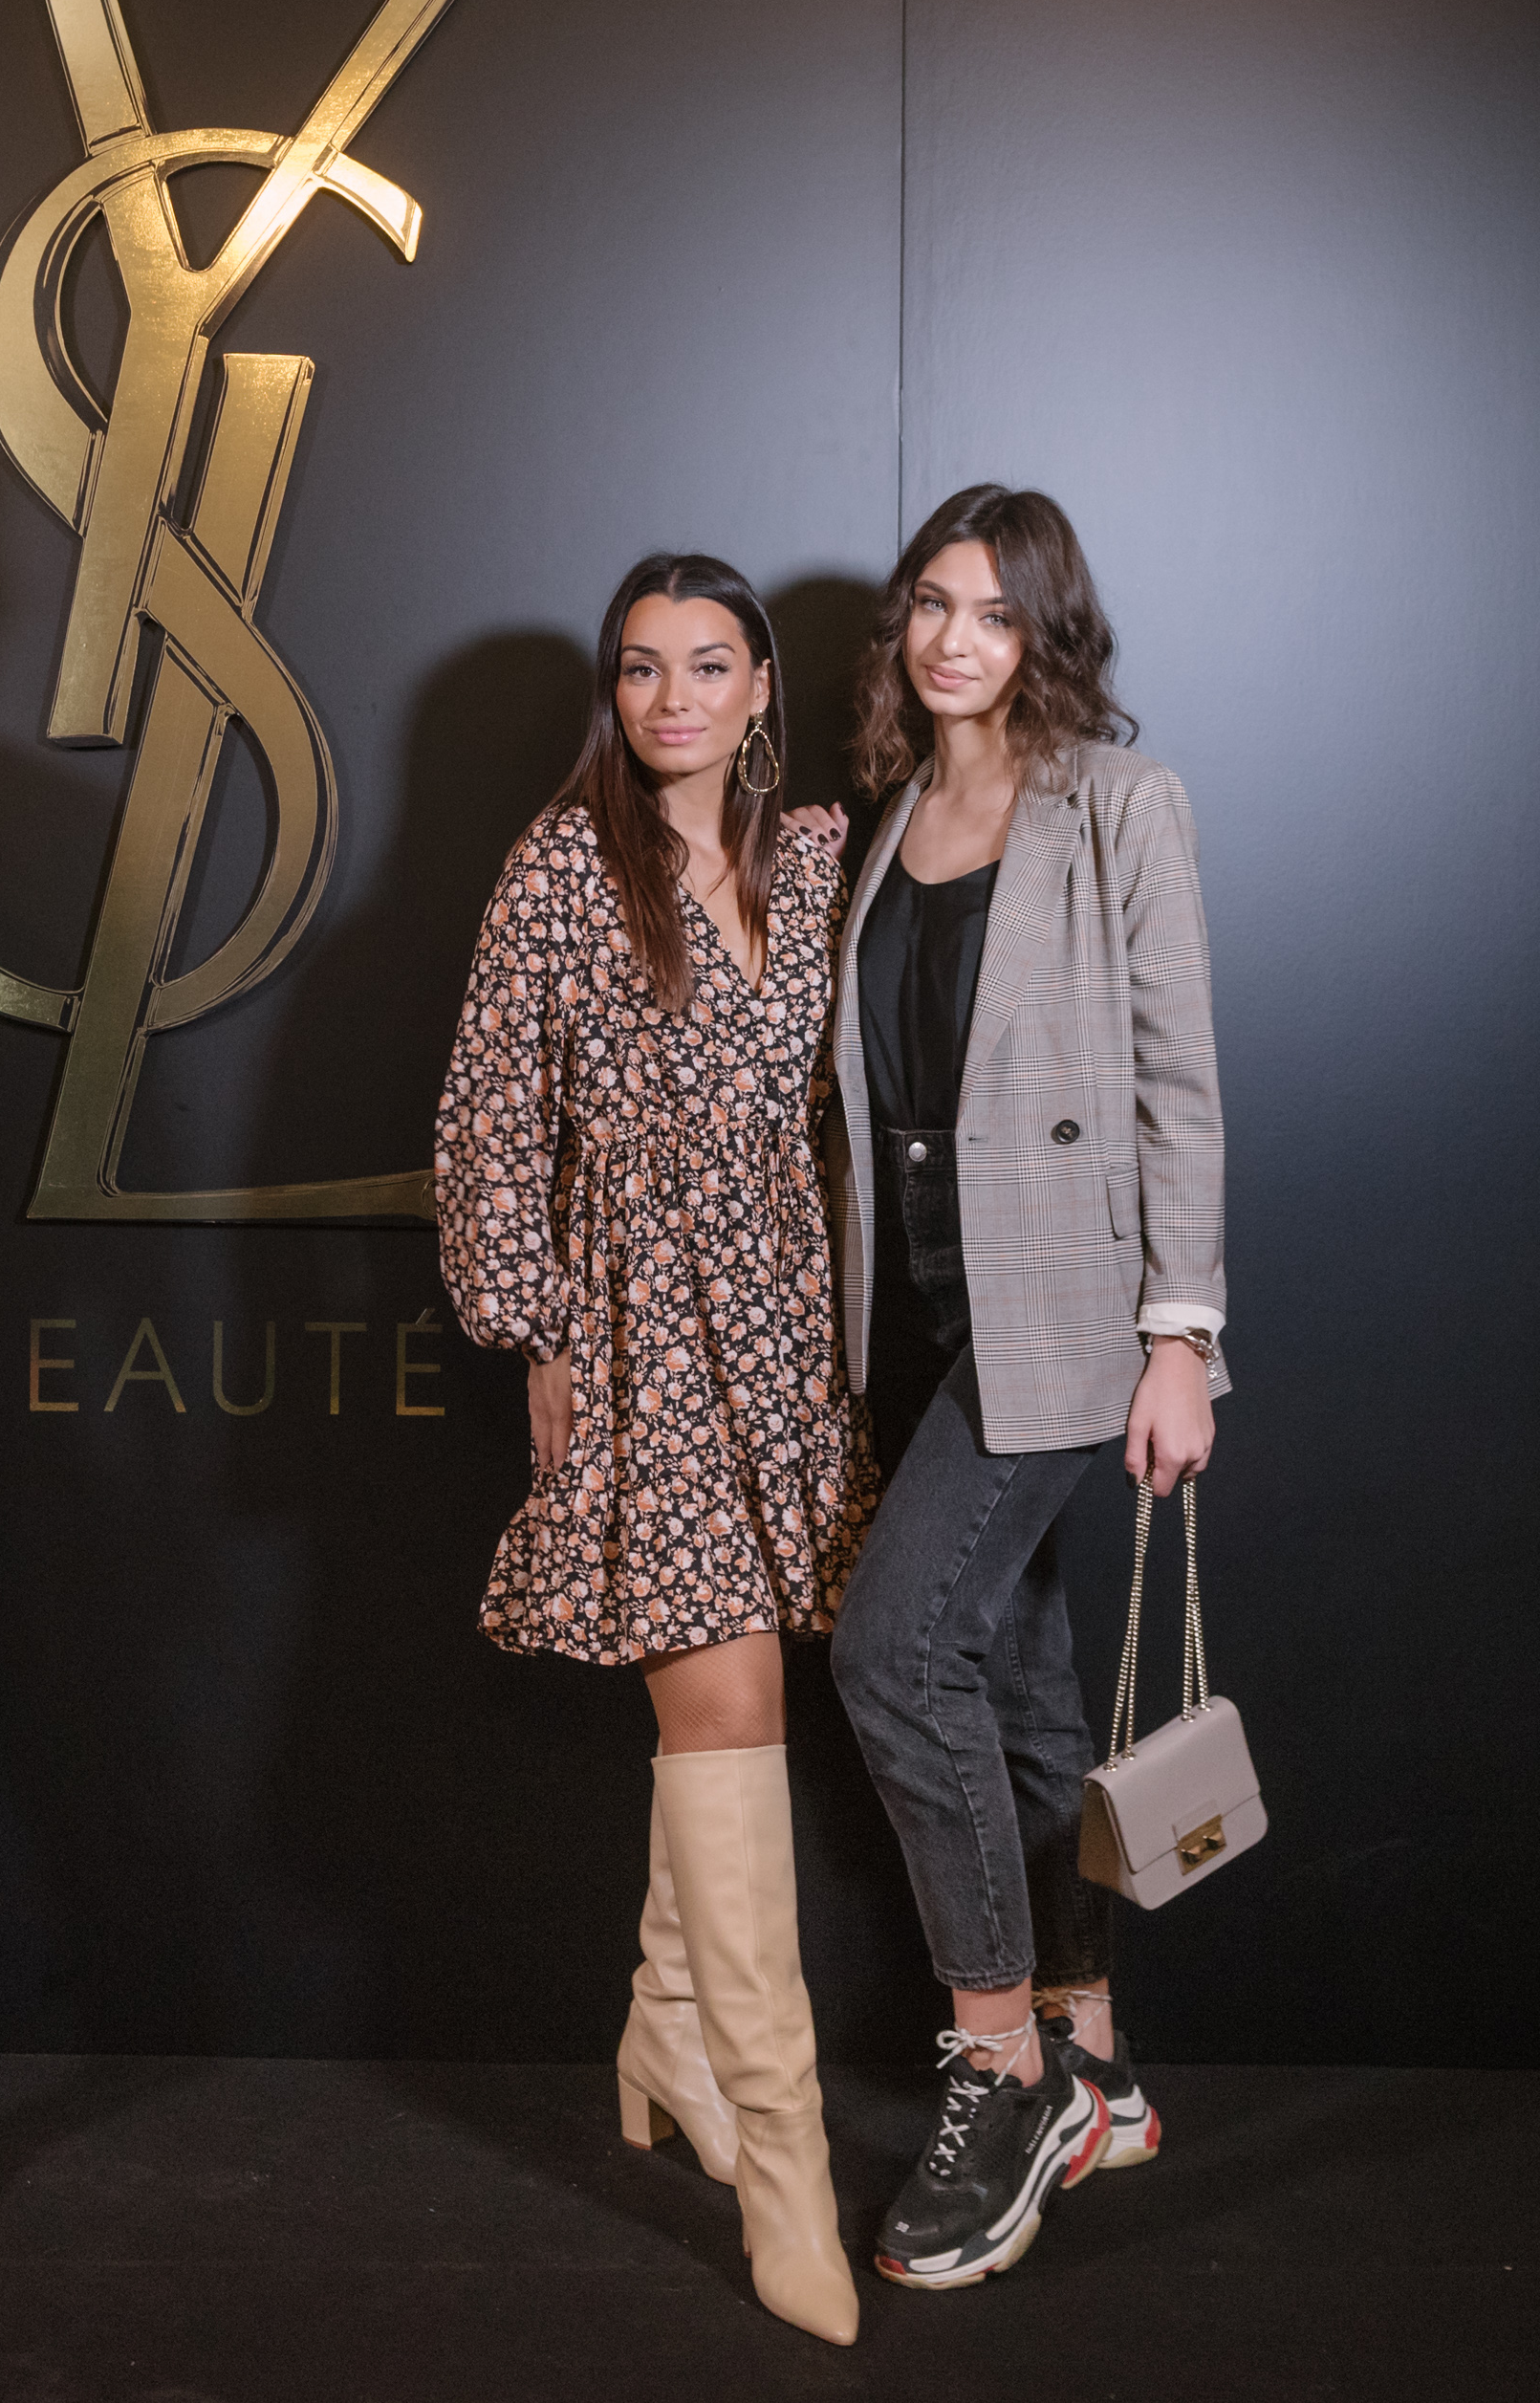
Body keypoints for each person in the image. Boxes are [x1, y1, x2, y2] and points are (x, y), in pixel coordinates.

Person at [435, 553, 874, 2348]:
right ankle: (787, 2164)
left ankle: (668, 2030)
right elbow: (485, 1121)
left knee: (741, 1706)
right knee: (730, 1706)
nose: (672, 698)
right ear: (610, 692)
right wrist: (541, 1322)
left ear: (761, 685)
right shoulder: (560, 866)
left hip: (787, 1331)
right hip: (641, 1331)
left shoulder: (821, 860)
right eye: (640, 667)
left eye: (707, 665)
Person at [823, 484, 1227, 2291]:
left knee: (894, 1652)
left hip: (1061, 1314)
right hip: (921, 1306)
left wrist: (1181, 1336)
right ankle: (1101, 2061)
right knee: (1021, 1679)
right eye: (931, 602)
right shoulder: (889, 817)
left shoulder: (1120, 804)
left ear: (1046, 631)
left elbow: (1176, 1082)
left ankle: (1002, 2072)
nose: (952, 639)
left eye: (993, 612)